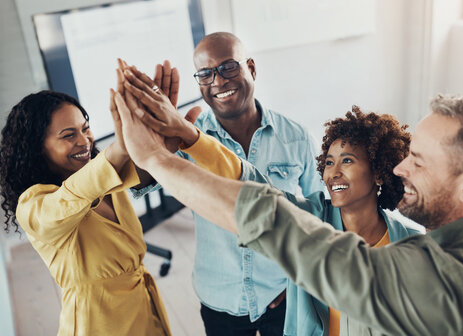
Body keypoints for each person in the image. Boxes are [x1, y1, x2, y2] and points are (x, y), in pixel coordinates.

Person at [114, 92, 463, 335]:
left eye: (419, 161)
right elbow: (263, 193)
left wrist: (156, 159)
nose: (402, 168)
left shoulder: (444, 276)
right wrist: (192, 137)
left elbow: (279, 224)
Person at [120, 68, 424, 336]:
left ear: (379, 171)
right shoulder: (312, 219)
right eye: (329, 162)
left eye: (347, 160)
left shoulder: (412, 245)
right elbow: (250, 183)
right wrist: (186, 139)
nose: (334, 173)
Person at [126, 31, 325, 335]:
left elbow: (322, 214)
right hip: (220, 298)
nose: (218, 81)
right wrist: (156, 149)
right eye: (205, 74)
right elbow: (140, 187)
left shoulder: (295, 137)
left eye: (229, 67)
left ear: (252, 69)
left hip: (283, 292)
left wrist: (299, 279)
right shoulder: (186, 136)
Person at [0, 90, 171, 336]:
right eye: (69, 135)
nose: (84, 141)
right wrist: (120, 147)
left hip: (144, 308)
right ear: (37, 149)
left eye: (85, 128)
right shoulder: (33, 206)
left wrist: (161, 129)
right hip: (98, 322)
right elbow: (70, 199)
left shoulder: (103, 177)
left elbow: (147, 167)